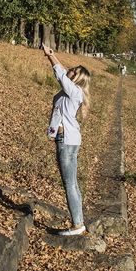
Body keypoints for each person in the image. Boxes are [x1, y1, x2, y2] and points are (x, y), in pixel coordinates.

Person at [42, 43, 91, 236]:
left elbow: (60, 74)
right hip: (67, 138)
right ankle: (79, 223)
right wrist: (53, 56)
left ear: (77, 78)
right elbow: (62, 72)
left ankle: (78, 225)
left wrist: (50, 56)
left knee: (69, 183)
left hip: (67, 139)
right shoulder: (71, 91)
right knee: (72, 182)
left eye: (74, 71)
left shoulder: (74, 91)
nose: (69, 70)